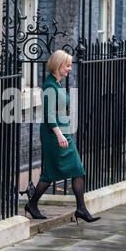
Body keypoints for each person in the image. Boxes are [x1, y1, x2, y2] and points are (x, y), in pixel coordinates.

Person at [24, 50, 101, 224]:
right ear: (58, 65)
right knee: (52, 173)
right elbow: (49, 115)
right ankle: (33, 204)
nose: (69, 69)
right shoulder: (49, 86)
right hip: (54, 135)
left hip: (64, 134)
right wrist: (59, 134)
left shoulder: (58, 84)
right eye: (67, 65)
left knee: (76, 169)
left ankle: (80, 208)